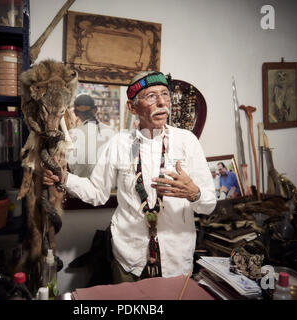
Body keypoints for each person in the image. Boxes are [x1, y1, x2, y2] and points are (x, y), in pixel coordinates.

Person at [43, 71, 216, 283]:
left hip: (176, 257)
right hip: (128, 256)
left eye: (165, 94)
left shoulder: (187, 141)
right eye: (151, 96)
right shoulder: (119, 143)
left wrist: (194, 194)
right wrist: (65, 178)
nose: (162, 102)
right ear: (132, 107)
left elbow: (208, 204)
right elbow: (97, 193)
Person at [67, 94, 116, 178]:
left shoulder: (72, 135)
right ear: (96, 109)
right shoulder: (113, 132)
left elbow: (69, 167)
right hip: (109, 188)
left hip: (81, 187)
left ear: (75, 113)